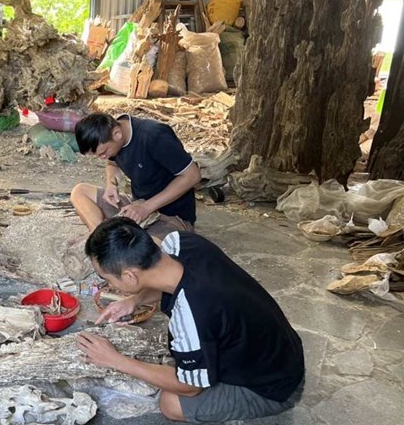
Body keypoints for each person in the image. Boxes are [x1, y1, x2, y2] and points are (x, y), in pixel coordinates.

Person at [77, 217, 304, 423]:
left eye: (106, 278)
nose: (108, 283)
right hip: (282, 352)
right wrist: (134, 300)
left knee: (170, 402)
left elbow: (190, 387)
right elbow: (170, 282)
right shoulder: (182, 243)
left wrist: (115, 360)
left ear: (129, 276)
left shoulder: (192, 315)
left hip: (273, 388)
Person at [71, 113, 201, 239]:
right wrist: (112, 184)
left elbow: (193, 175)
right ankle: (98, 234)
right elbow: (112, 164)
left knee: (142, 249)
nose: (103, 158)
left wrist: (146, 208)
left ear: (117, 134)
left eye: (103, 152)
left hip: (170, 217)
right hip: (136, 207)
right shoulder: (114, 138)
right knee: (80, 191)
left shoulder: (154, 136)